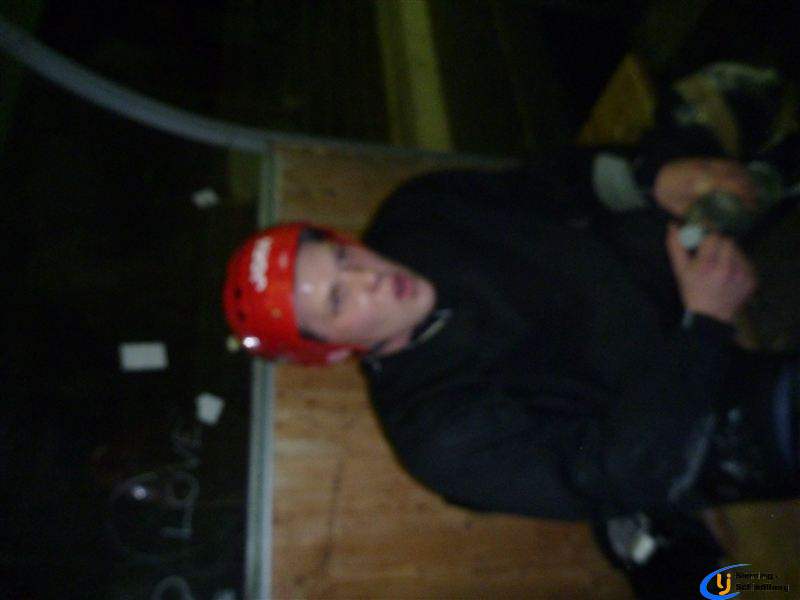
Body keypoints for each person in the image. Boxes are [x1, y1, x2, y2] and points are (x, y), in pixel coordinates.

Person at [224, 63, 800, 523]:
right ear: (331, 350)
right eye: (336, 300)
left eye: (342, 257)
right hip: (674, 420)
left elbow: (549, 185)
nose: (366, 277)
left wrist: (650, 179)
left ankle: (775, 175)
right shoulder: (439, 435)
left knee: (713, 118)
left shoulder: (416, 218)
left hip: (646, 275)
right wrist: (705, 326)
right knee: (742, 562)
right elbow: (627, 475)